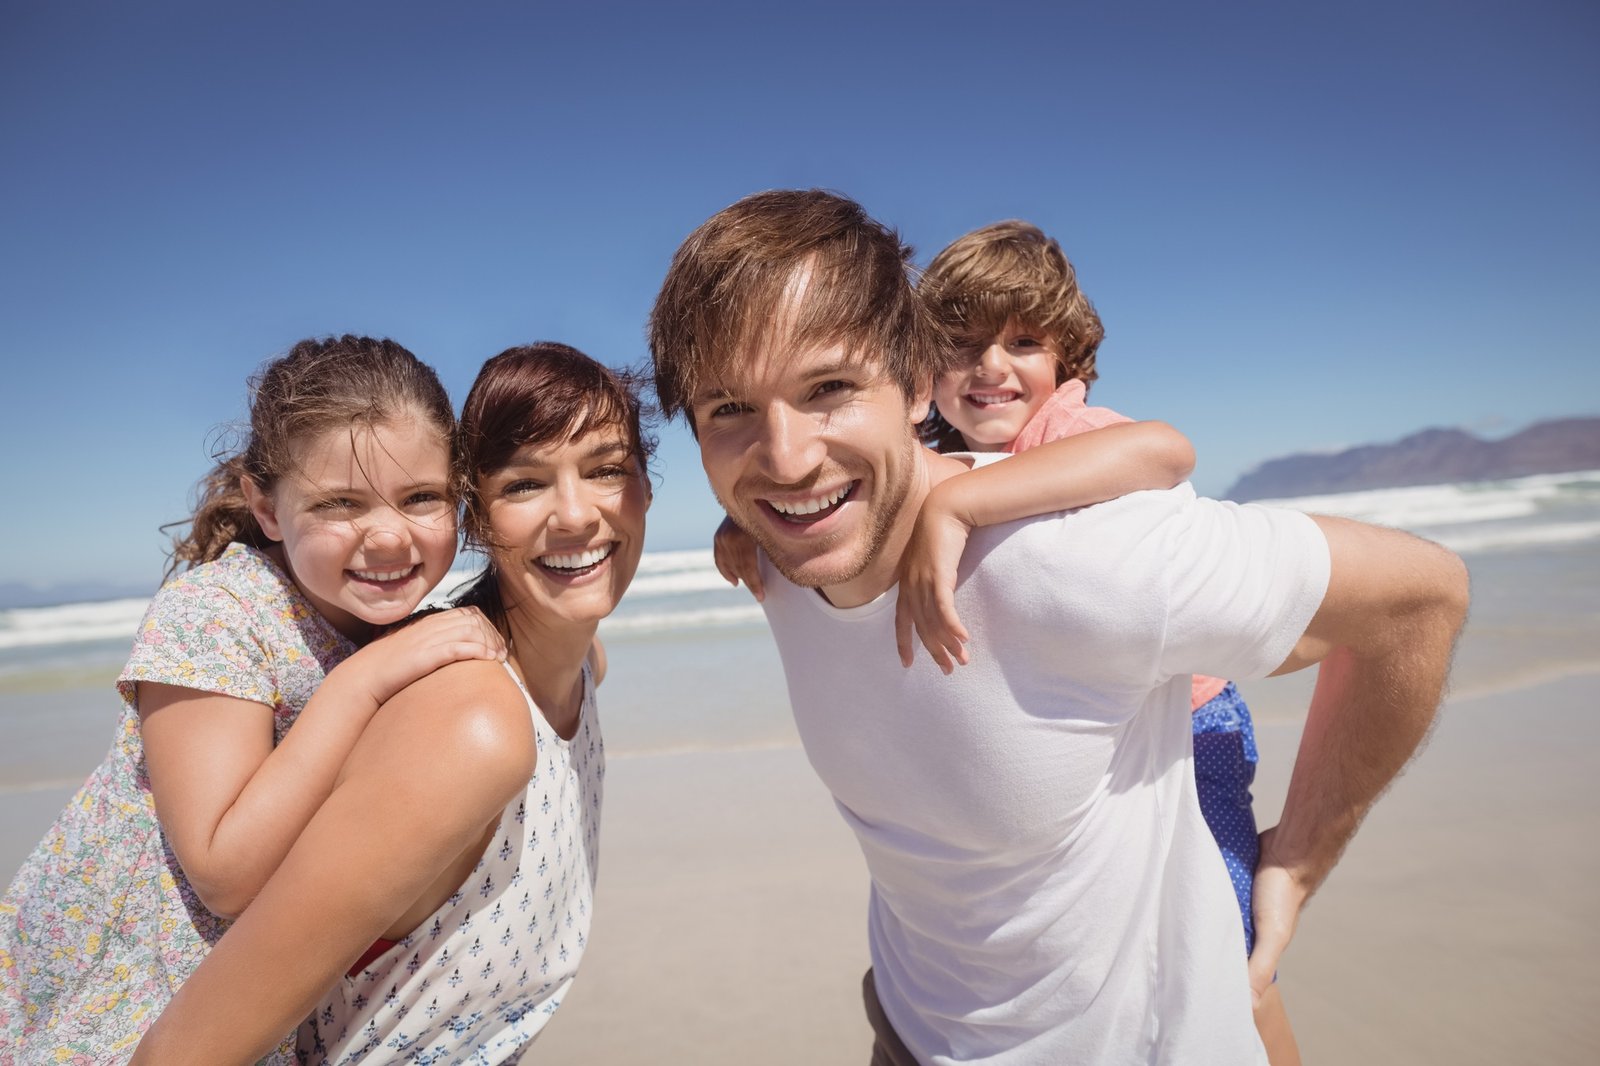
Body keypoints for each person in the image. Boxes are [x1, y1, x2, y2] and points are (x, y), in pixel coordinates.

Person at [649, 189, 1468, 1064]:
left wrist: (1300, 859)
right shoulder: (781, 546)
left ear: (913, 382)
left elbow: (1422, 597)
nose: (785, 457)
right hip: (907, 1031)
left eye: (830, 388)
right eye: (729, 408)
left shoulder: (1076, 559)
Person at [130, 342, 653, 1065]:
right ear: (483, 515)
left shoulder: (569, 665)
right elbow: (220, 893)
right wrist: (361, 680)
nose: (573, 514)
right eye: (525, 484)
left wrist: (755, 533)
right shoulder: (459, 721)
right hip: (131, 985)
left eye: (605, 470)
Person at [0, 335, 505, 1064]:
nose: (390, 536)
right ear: (266, 506)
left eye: (421, 497)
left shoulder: (377, 619)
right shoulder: (217, 612)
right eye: (341, 504)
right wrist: (361, 683)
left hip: (241, 1005)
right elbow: (225, 874)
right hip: (121, 1004)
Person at [915, 220, 1299, 1063]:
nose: (991, 366)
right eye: (964, 342)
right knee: (1127, 948)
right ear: (922, 369)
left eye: (1022, 341)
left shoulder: (1062, 429)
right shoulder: (938, 457)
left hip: (1190, 730)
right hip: (1092, 730)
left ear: (1067, 362)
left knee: (1221, 944)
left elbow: (1165, 450)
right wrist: (744, 529)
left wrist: (961, 506)